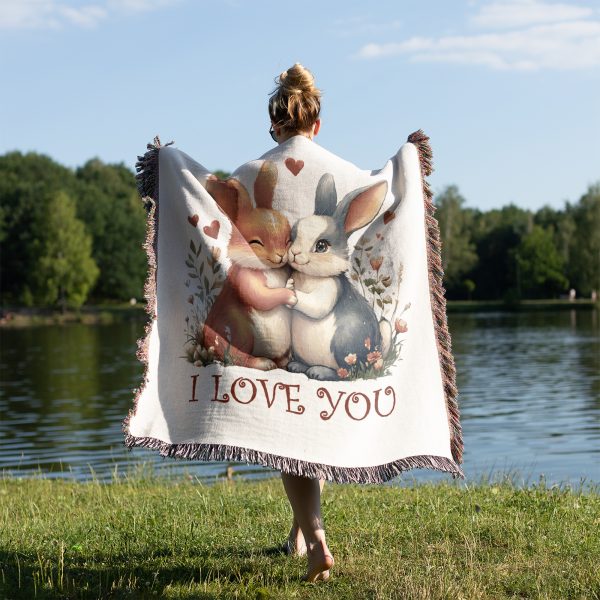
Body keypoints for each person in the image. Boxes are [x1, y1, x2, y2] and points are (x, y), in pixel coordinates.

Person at [267, 63, 334, 583]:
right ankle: (297, 533)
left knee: (288, 434)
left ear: (275, 125)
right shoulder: (342, 170)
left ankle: (316, 541)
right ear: (317, 122)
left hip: (272, 320)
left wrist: (170, 166)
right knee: (310, 427)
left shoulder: (255, 170)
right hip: (326, 324)